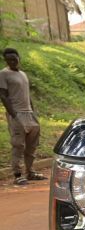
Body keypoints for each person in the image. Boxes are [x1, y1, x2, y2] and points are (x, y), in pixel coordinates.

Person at [0, 48, 45, 185]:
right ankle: (17, 174)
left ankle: (30, 172)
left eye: (14, 59)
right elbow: (2, 95)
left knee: (32, 145)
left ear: (19, 58)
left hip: (30, 114)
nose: (12, 62)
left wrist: (33, 112)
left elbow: (27, 94)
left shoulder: (23, 74)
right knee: (18, 145)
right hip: (17, 114)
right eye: (8, 60)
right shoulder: (3, 74)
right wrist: (13, 115)